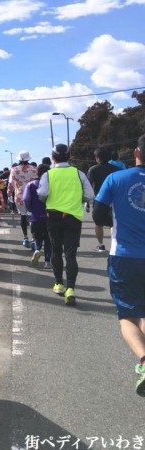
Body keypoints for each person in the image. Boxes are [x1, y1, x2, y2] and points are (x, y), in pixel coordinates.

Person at [92, 134, 145, 396]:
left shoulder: (116, 179)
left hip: (124, 254)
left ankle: (144, 362)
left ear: (137, 152)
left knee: (128, 314)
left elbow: (98, 213)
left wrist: (117, 222)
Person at [37, 144, 95, 305]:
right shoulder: (78, 173)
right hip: (73, 217)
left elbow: (42, 194)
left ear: (53, 157)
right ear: (69, 156)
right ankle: (71, 289)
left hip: (54, 216)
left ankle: (58, 283)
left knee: (56, 250)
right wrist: (77, 200)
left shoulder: (48, 174)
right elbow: (90, 194)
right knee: (71, 254)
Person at [86, 147, 120, 251]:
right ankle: (114, 244)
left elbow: (88, 186)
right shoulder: (117, 169)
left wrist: (87, 203)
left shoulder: (93, 169)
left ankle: (101, 245)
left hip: (99, 200)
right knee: (113, 224)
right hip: (114, 200)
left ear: (97, 158)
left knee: (98, 224)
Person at [23, 164, 52, 269]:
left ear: (37, 172)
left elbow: (26, 199)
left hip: (35, 216)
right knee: (48, 240)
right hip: (50, 216)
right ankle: (47, 262)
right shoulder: (51, 184)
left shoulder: (31, 185)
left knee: (37, 237)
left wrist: (30, 209)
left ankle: (37, 250)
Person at [8, 151, 38, 248]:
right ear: (29, 159)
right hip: (32, 195)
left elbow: (11, 184)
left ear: (19, 159)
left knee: (23, 216)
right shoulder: (34, 169)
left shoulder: (14, 169)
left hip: (20, 196)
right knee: (32, 217)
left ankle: (25, 238)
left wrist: (9, 193)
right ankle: (34, 239)